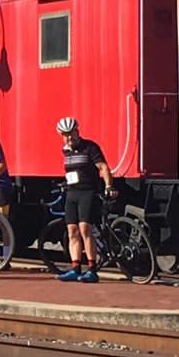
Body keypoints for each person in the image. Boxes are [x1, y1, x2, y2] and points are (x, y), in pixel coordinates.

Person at [53, 117, 116, 283]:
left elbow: (103, 167)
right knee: (72, 231)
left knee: (85, 230)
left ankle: (92, 269)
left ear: (77, 131)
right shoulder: (65, 150)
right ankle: (75, 268)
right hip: (72, 194)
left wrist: (109, 186)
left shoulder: (90, 147)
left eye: (71, 133)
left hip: (88, 193)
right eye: (65, 135)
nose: (69, 138)